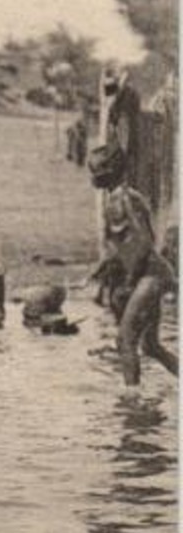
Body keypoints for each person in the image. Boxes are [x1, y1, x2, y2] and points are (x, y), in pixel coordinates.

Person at [87, 145, 177, 386]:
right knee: (151, 346)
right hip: (147, 274)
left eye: (96, 170)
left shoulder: (125, 198)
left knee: (125, 340)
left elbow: (144, 241)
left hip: (150, 274)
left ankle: (132, 402)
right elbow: (123, 245)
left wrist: (129, 281)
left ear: (111, 171)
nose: (92, 176)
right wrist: (103, 268)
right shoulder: (116, 198)